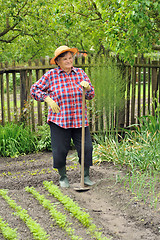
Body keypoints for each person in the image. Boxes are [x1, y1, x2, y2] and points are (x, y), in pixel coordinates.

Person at [30, 45, 95, 188]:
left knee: (87, 148)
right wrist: (48, 99)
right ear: (58, 61)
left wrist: (88, 88)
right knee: (60, 150)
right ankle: (63, 177)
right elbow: (34, 89)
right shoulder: (51, 75)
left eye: (70, 58)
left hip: (79, 119)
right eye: (65, 59)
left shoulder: (80, 73)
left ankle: (86, 176)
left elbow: (90, 95)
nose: (68, 61)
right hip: (59, 120)